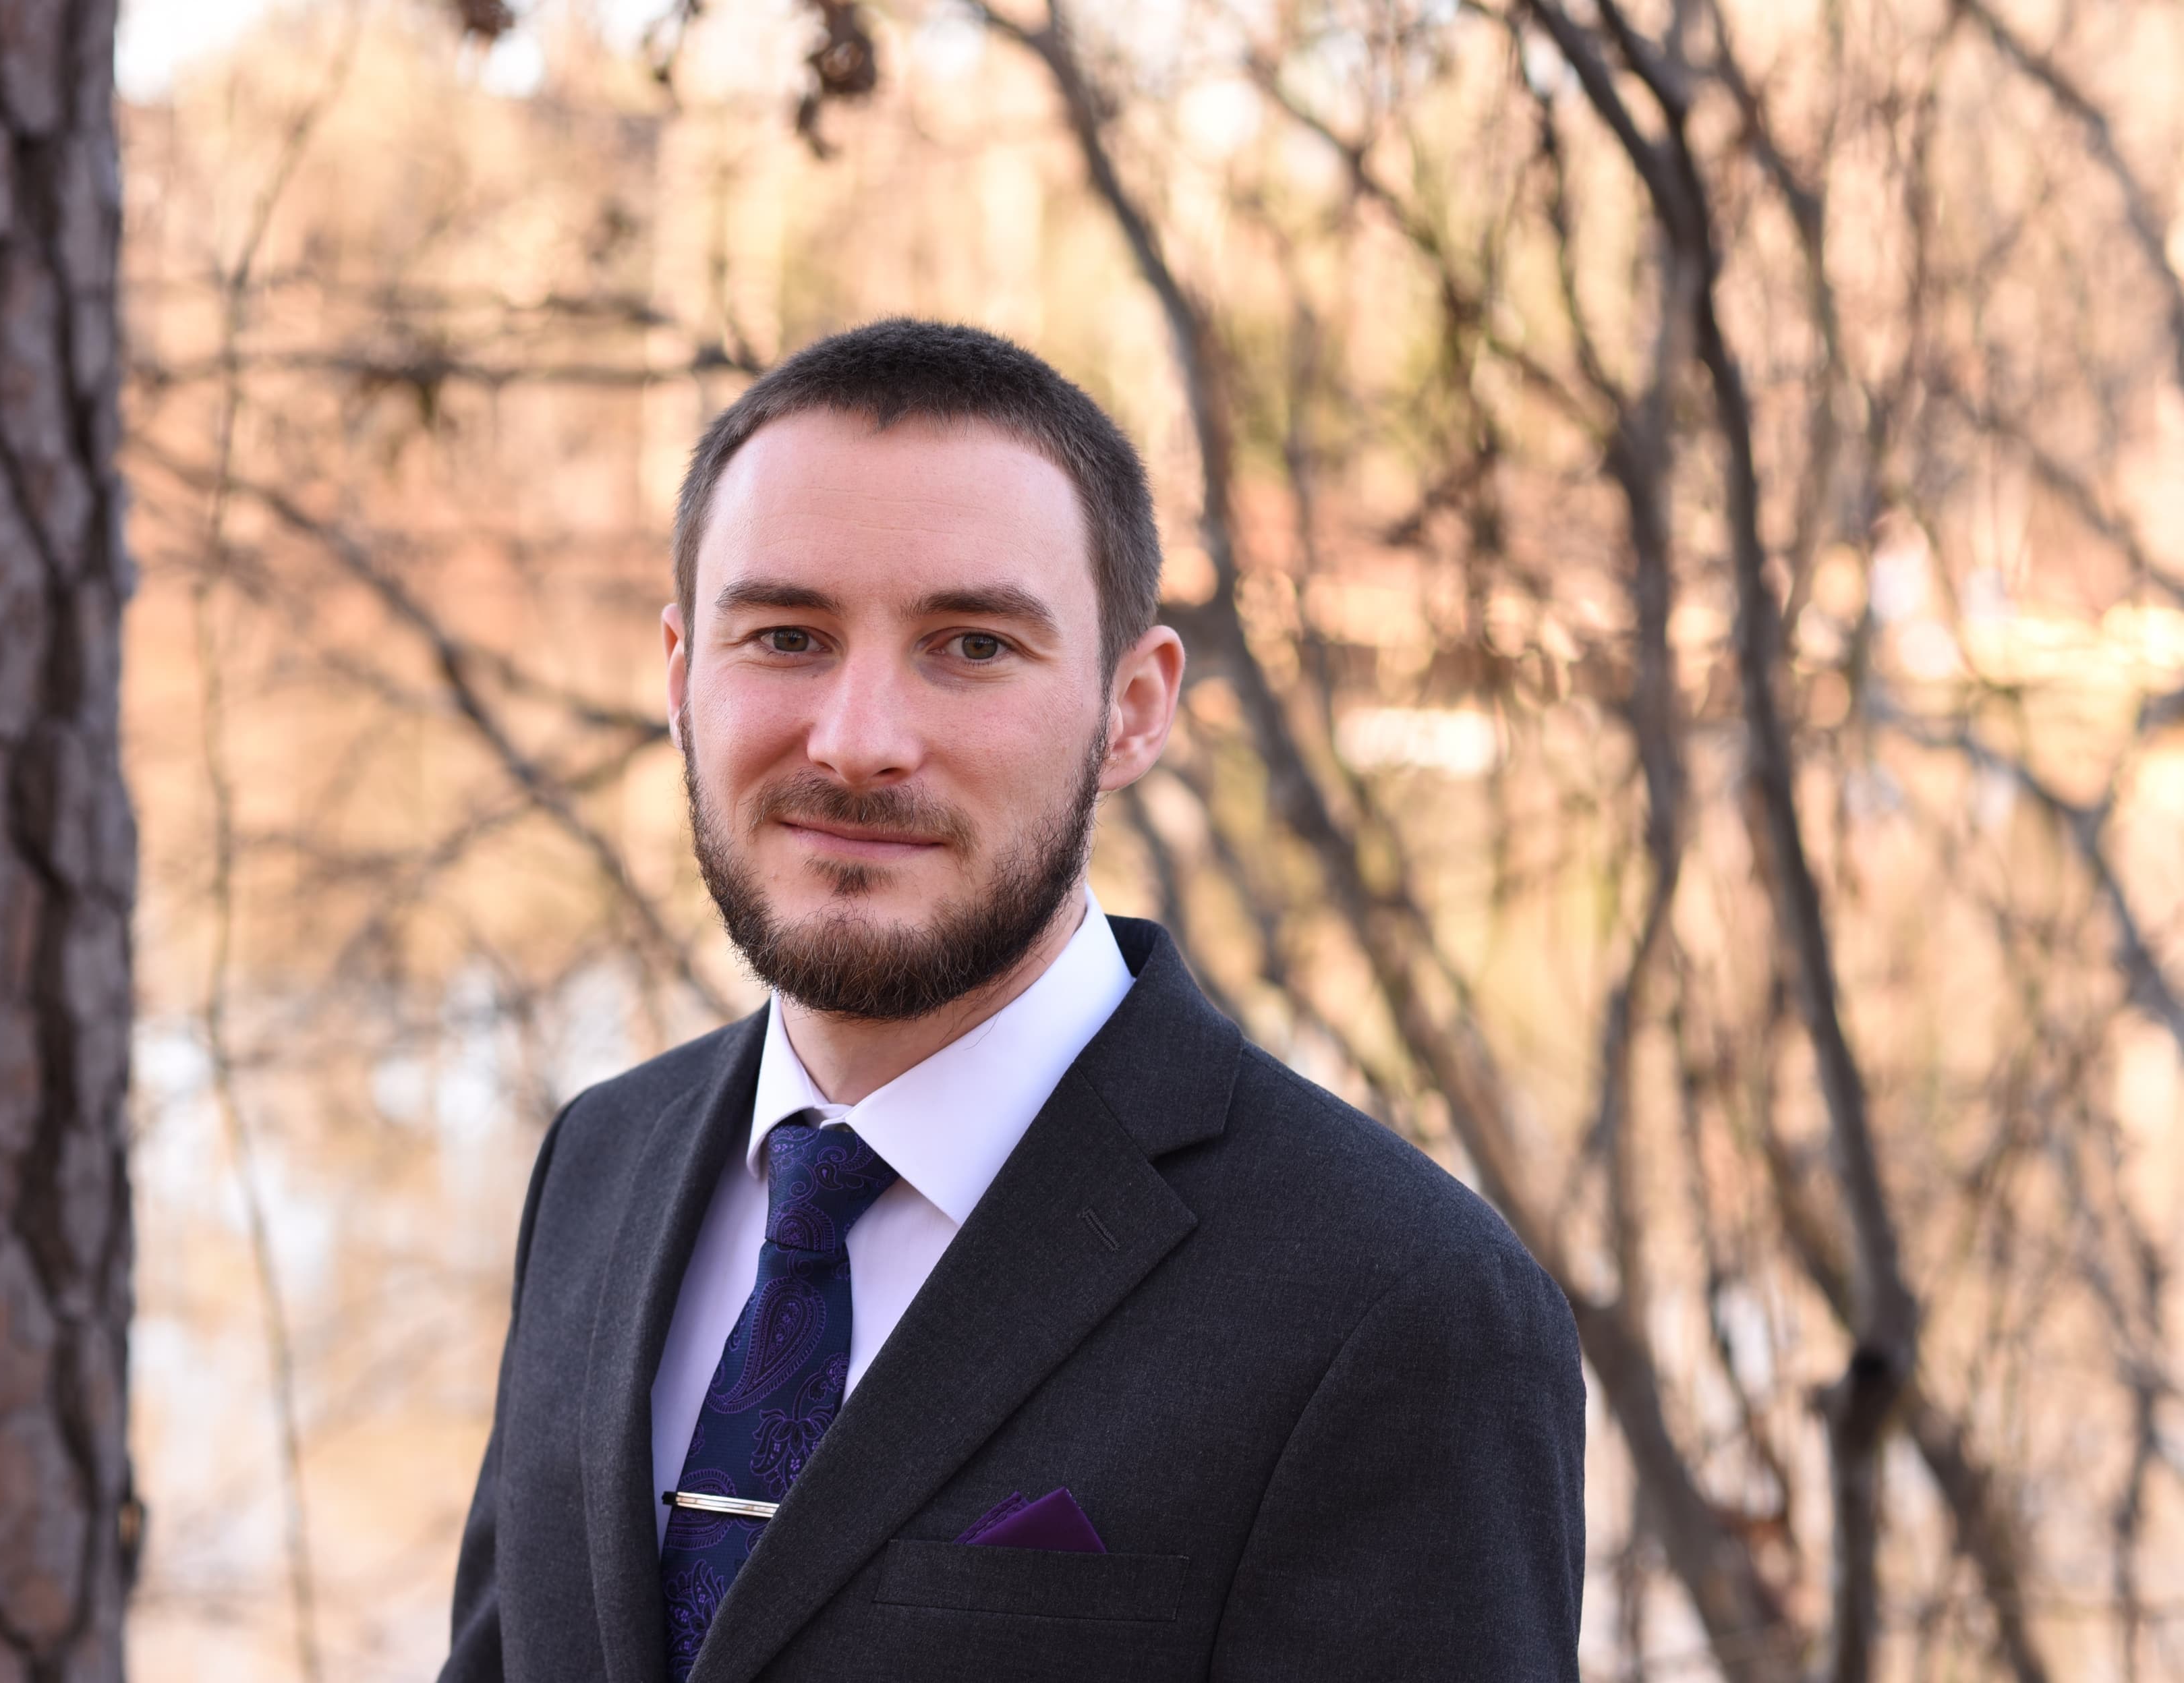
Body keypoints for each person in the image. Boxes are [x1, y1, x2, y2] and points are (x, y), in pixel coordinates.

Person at [435, 319, 1584, 1683]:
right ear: (683, 678)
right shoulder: (599, 1164)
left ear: (1133, 708)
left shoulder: (1399, 1303)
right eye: (788, 635)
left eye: (971, 646)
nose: (859, 741)